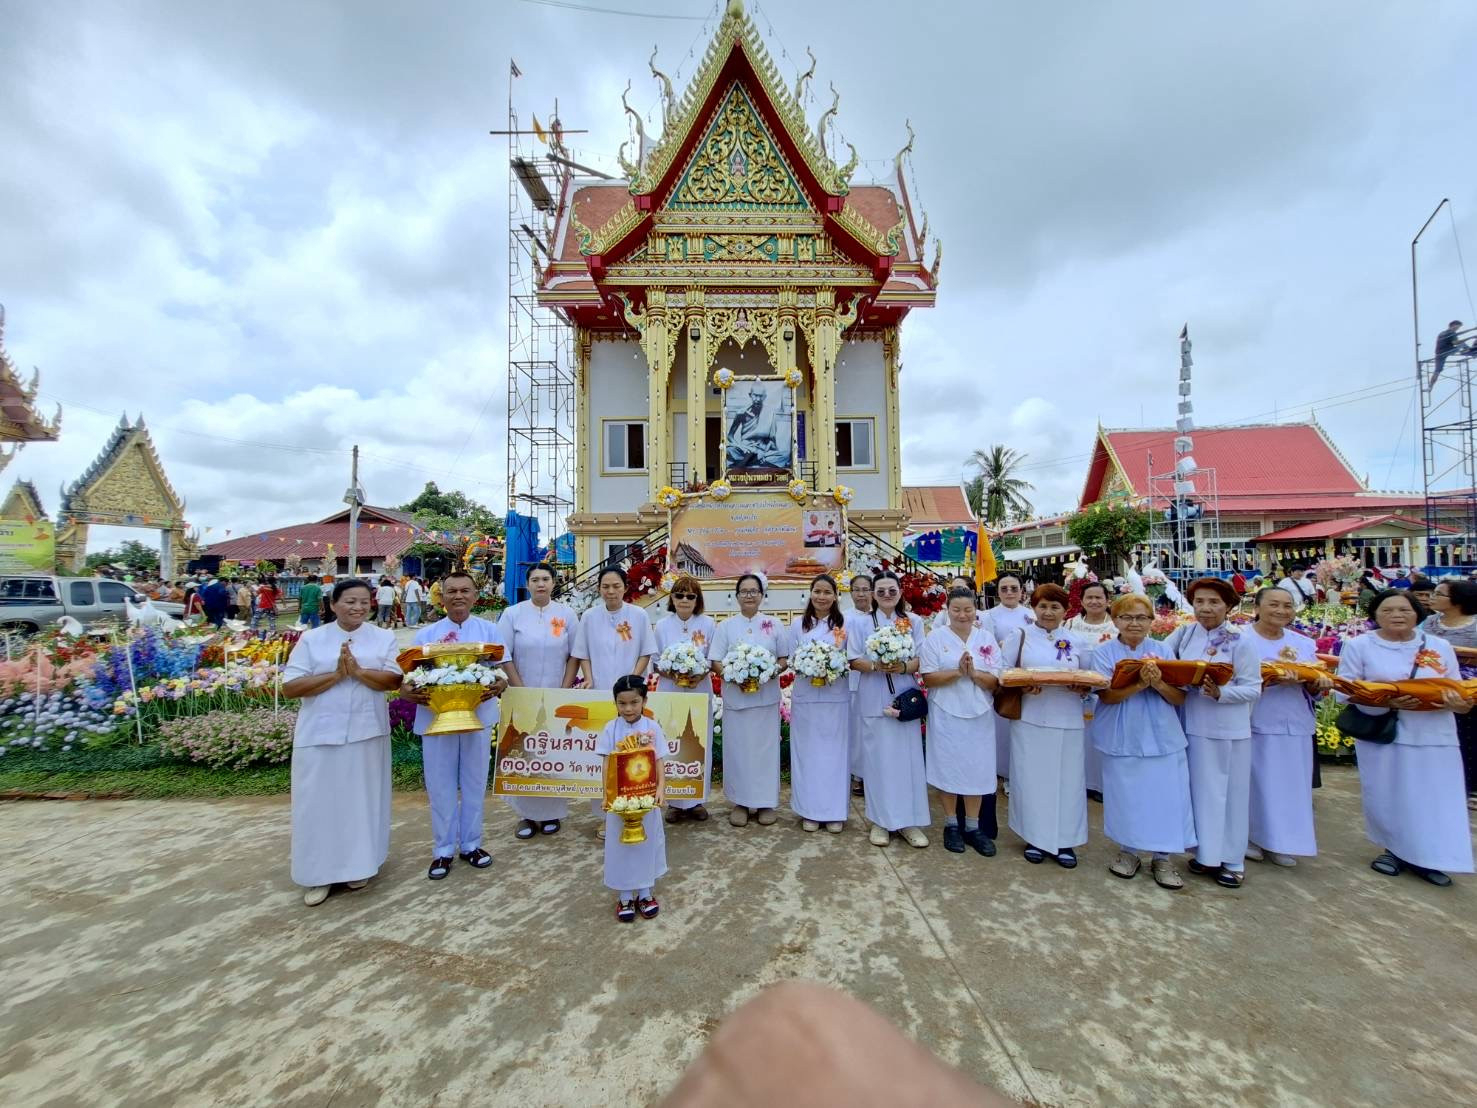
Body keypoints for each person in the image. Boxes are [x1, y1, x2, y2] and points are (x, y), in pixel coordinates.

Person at [1338, 590, 1474, 886]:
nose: (1397, 615)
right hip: (1385, 732)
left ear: (1418, 613)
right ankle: (1394, 850)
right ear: (1374, 615)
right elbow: (1342, 690)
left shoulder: (1438, 646)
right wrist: (1387, 701)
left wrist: (1460, 704)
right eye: (1388, 610)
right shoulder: (1359, 645)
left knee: (1434, 796)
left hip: (1434, 732)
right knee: (1389, 793)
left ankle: (1429, 856)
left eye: (1404, 609)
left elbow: (1455, 687)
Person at [281, 579, 402, 907]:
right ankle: (316, 876)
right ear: (333, 604)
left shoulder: (383, 637)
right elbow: (290, 687)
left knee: (361, 802)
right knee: (317, 806)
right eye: (350, 601)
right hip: (319, 735)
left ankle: (359, 866)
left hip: (366, 733)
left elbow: (394, 679)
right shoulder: (313, 639)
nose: (358, 607)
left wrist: (359, 672)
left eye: (364, 601)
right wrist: (335, 676)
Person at [404, 570, 508, 880]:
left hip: (478, 718)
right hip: (436, 719)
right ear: (442, 597)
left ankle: (472, 844)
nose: (458, 596)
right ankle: (443, 850)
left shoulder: (490, 631)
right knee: (440, 785)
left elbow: (501, 671)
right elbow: (408, 678)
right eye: (452, 591)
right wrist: (408, 690)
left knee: (475, 783)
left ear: (476, 596)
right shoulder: (425, 636)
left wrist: (499, 685)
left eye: (465, 590)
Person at [1161, 576, 1262, 888]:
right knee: (1199, 793)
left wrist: (1223, 694)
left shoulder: (1240, 641)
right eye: (1200, 601)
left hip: (1226, 730)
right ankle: (1206, 855)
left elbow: (1253, 688)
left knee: (1228, 795)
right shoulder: (1183, 634)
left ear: (1229, 605)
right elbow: (1161, 660)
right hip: (1190, 724)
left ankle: (1232, 860)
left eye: (1214, 602)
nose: (1205, 608)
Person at [1090, 594, 1195, 888]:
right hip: (1122, 734)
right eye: (1127, 617)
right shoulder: (1104, 653)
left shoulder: (1163, 651)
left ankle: (1163, 857)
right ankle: (1129, 851)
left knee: (1166, 796)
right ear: (1115, 620)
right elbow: (1107, 696)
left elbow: (1180, 697)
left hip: (1162, 734)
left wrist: (1158, 682)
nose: (1134, 624)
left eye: (1141, 618)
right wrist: (1139, 684)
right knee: (1126, 795)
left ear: (1152, 621)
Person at [1003, 583, 1095, 867]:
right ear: (1034, 607)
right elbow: (1003, 674)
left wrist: (1081, 688)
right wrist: (1021, 687)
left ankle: (1066, 840)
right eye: (1043, 606)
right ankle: (1035, 837)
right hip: (1030, 718)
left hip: (1067, 719)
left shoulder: (1077, 640)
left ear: (1066, 610)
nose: (1048, 612)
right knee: (1032, 780)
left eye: (1055, 607)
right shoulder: (1019, 637)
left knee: (1068, 782)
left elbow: (1090, 678)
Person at [1245, 587, 1330, 868]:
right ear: (1256, 607)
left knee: (1292, 785)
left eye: (1287, 605)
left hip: (1295, 722)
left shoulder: (1303, 643)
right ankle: (1252, 837)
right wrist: (1270, 679)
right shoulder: (1241, 639)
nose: (1281, 610)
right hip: (1257, 719)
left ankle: (1284, 841)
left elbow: (1315, 684)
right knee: (1256, 782)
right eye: (1273, 604)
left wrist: (1315, 683)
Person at [848, 569, 929, 848]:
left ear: (900, 593)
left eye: (891, 591)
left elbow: (921, 658)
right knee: (877, 762)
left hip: (904, 696)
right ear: (872, 594)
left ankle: (909, 822)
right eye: (880, 591)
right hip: (872, 696)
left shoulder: (913, 622)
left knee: (908, 762)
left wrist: (903, 666)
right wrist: (876, 666)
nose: (886, 595)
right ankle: (880, 821)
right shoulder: (860, 624)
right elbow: (853, 659)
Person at [498, 562, 580, 839]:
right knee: (525, 752)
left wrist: (564, 690)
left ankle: (552, 814)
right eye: (535, 579)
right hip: (522, 693)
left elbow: (575, 655)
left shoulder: (566, 614)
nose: (540, 584)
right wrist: (521, 690)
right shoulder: (513, 614)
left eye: (545, 579)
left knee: (552, 753)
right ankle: (525, 815)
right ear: (528, 583)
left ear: (554, 582)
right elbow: (503, 654)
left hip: (557, 695)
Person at [573, 566, 657, 838]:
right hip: (600, 695)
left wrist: (633, 681)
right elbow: (582, 652)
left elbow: (646, 651)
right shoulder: (589, 616)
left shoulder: (639, 615)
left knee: (634, 756)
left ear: (625, 588)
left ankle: (639, 809)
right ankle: (606, 815)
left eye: (616, 586)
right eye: (605, 586)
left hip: (630, 697)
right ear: (599, 589)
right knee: (608, 759)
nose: (610, 591)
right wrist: (588, 678)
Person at [918, 586, 1001, 856]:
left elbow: (995, 681)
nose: (962, 615)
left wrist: (974, 673)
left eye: (967, 609)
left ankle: (973, 826)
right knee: (948, 766)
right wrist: (957, 671)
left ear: (975, 610)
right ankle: (951, 823)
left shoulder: (985, 638)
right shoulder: (936, 638)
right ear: (947, 610)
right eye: (956, 610)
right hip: (946, 711)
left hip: (978, 713)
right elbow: (929, 678)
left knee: (977, 768)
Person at [709, 572, 792, 828]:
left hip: (765, 699)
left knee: (764, 751)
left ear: (762, 595)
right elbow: (715, 661)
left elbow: (783, 659)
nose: (749, 595)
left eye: (753, 591)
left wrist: (767, 673)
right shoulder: (725, 627)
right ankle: (741, 802)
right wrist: (733, 676)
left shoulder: (774, 624)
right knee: (739, 751)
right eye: (744, 591)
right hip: (737, 699)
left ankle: (766, 802)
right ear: (736, 596)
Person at [597, 675, 670, 922]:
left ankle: (646, 893)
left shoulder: (652, 728)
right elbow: (607, 764)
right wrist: (606, 795)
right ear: (615, 703)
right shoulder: (610, 728)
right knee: (621, 847)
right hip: (620, 802)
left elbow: (658, 760)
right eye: (622, 703)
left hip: (646, 798)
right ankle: (626, 896)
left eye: (634, 702)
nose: (628, 709)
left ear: (644, 701)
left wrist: (661, 788)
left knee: (646, 844)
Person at [787, 574, 850, 833]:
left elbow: (849, 657)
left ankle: (835, 812)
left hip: (835, 697)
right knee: (808, 754)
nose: (821, 596)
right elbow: (791, 660)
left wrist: (830, 667)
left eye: (827, 592)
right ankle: (809, 810)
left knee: (834, 755)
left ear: (835, 596)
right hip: (806, 698)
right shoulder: (797, 625)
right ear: (810, 593)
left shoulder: (845, 624)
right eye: (817, 591)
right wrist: (808, 665)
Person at [653, 574, 718, 824]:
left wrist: (697, 673)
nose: (684, 599)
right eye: (679, 594)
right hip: (669, 689)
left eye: (690, 595)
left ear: (697, 599)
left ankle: (696, 800)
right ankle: (673, 801)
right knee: (670, 742)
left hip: (698, 690)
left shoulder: (709, 624)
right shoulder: (662, 626)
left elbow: (713, 658)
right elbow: (656, 660)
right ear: (672, 597)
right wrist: (672, 671)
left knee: (699, 741)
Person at [1422, 577, 1477, 811]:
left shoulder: (1474, 624)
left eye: (1439, 594)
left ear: (1457, 600)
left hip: (1471, 688)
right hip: (1435, 688)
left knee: (1471, 738)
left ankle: (1472, 787)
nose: (1432, 597)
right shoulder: (1429, 622)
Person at [1064, 581, 1114, 800]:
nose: (1094, 601)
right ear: (1082, 601)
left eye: (1098, 597)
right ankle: (1081, 783)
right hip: (1076, 694)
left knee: (1103, 740)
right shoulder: (1069, 626)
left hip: (1108, 695)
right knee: (1079, 742)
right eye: (1089, 598)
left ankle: (1103, 785)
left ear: (1107, 600)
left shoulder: (1116, 627)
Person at [982, 574, 1033, 789]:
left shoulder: (1031, 615)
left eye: (1014, 588)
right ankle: (998, 771)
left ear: (1022, 590)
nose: (1009, 592)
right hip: (1000, 675)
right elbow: (984, 644)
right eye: (1004, 588)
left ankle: (1018, 773)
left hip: (1026, 677)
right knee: (1000, 725)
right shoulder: (988, 616)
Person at [845, 573, 874, 797]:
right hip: (852, 680)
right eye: (857, 589)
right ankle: (857, 775)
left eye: (866, 589)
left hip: (879, 679)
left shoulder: (880, 617)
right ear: (850, 592)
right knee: (856, 730)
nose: (861, 594)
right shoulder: (844, 618)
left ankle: (873, 774)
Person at [1432, 319, 1467, 385]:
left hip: (1439, 354)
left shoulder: (1441, 333)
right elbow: (1455, 343)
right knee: (1463, 344)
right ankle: (1469, 351)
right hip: (1447, 351)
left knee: (1437, 371)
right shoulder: (1452, 332)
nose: (1458, 329)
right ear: (1453, 325)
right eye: (1458, 327)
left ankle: (1430, 386)